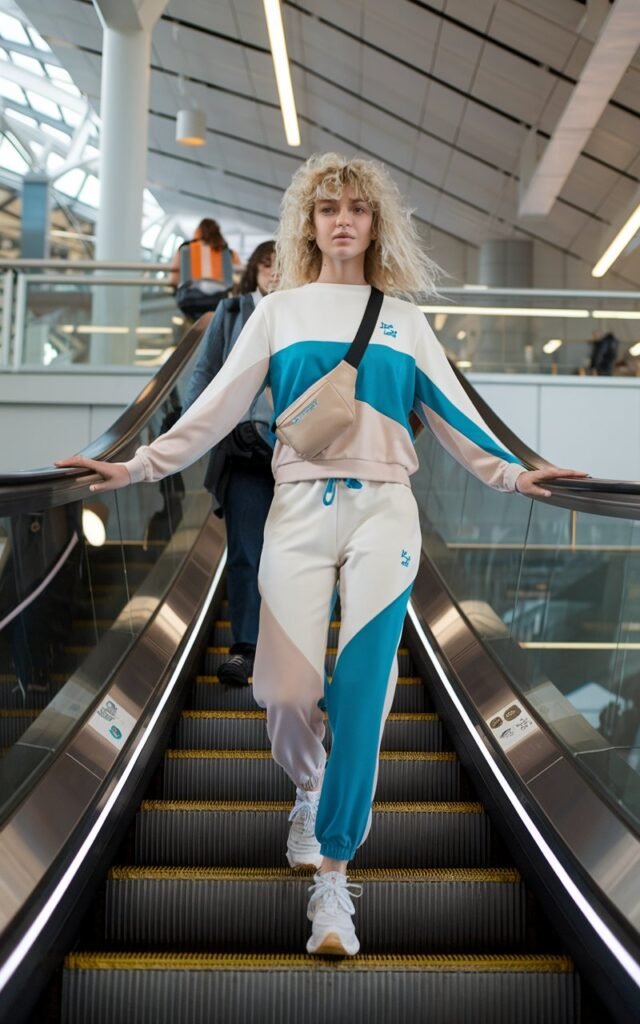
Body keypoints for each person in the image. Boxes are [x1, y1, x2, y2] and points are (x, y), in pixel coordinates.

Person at [57, 152, 588, 958]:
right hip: (299, 507)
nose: (343, 220)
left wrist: (519, 474)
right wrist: (133, 467)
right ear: (309, 223)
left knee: (366, 695)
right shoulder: (279, 312)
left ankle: (334, 882)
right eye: (329, 208)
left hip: (385, 511)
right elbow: (214, 408)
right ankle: (308, 784)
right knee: (284, 690)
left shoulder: (405, 322)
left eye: (357, 209)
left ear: (376, 223)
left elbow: (456, 419)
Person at [182, 240, 277, 686]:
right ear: (253, 269)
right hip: (243, 451)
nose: (275, 272)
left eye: (284, 265)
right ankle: (245, 649)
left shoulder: (306, 313)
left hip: (298, 453)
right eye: (267, 264)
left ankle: (290, 653)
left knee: (299, 556)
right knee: (244, 551)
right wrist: (190, 432)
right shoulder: (234, 310)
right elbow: (205, 371)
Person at [170, 217, 241, 320]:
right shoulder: (228, 252)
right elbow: (237, 276)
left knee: (193, 322)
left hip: (190, 299)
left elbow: (174, 278)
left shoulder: (186, 248)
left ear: (198, 231)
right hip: (219, 300)